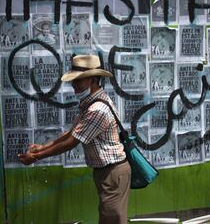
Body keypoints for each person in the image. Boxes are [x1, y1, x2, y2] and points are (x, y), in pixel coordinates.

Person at [18, 54, 131, 224]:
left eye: (78, 81)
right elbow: (70, 134)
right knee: (109, 218)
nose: (74, 85)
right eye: (74, 81)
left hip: (112, 172)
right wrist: (41, 147)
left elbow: (71, 142)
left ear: (93, 80)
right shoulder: (90, 103)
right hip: (106, 172)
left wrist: (35, 157)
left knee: (112, 220)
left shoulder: (97, 109)